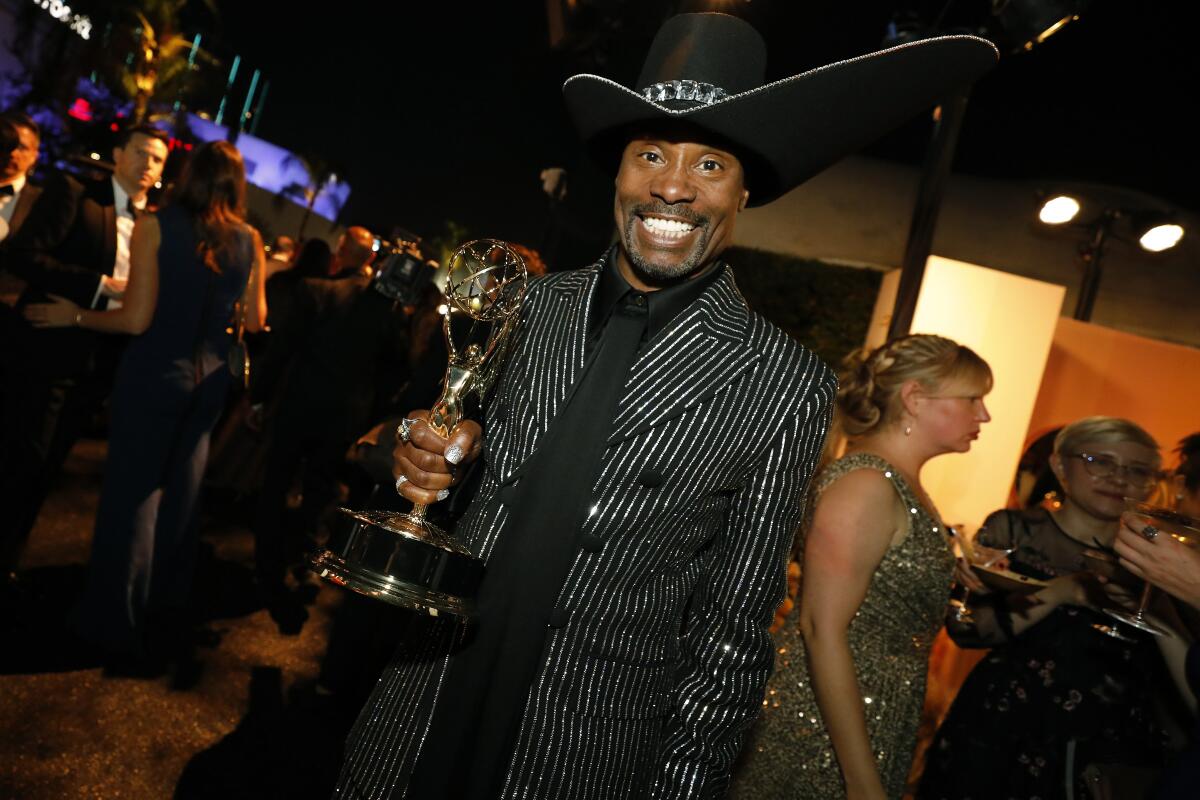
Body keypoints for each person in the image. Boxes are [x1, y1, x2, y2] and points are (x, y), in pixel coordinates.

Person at [335, 12, 997, 800]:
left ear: (744, 192)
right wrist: (421, 459)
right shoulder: (528, 308)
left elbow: (733, 630)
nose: (672, 185)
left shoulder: (781, 382)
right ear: (617, 171)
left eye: (709, 163)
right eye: (650, 153)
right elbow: (421, 456)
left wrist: (682, 787)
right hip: (430, 689)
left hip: (584, 743)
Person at [23, 140, 266, 671]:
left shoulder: (160, 225)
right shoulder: (250, 239)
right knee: (181, 498)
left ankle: (112, 620)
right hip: (210, 384)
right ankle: (163, 611)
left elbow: (135, 319)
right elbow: (253, 321)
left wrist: (75, 317)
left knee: (133, 499)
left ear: (188, 175)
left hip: (155, 375)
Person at [730, 334, 993, 799]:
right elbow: (819, 628)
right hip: (823, 723)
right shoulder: (866, 484)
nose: (984, 415)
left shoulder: (899, 483)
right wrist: (861, 779)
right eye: (972, 398)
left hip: (873, 711)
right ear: (914, 398)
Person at [919, 416, 1181, 799]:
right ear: (1060, 467)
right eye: (1100, 461)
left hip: (1106, 744)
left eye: (1137, 470)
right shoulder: (1014, 531)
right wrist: (1061, 593)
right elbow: (967, 628)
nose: (1118, 478)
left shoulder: (1157, 558)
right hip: (1004, 723)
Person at [0, 124, 169, 591]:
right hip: (44, 350)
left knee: (48, 467)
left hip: (100, 365)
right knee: (23, 459)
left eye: (158, 160)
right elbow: (23, 256)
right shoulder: (74, 193)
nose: (148, 165)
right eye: (141, 153)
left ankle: (11, 554)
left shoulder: (153, 223)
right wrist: (96, 287)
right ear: (118, 154)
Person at [0, 111, 43, 243]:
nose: (12, 153)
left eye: (21, 147)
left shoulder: (41, 202)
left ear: (34, 156)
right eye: (6, 143)